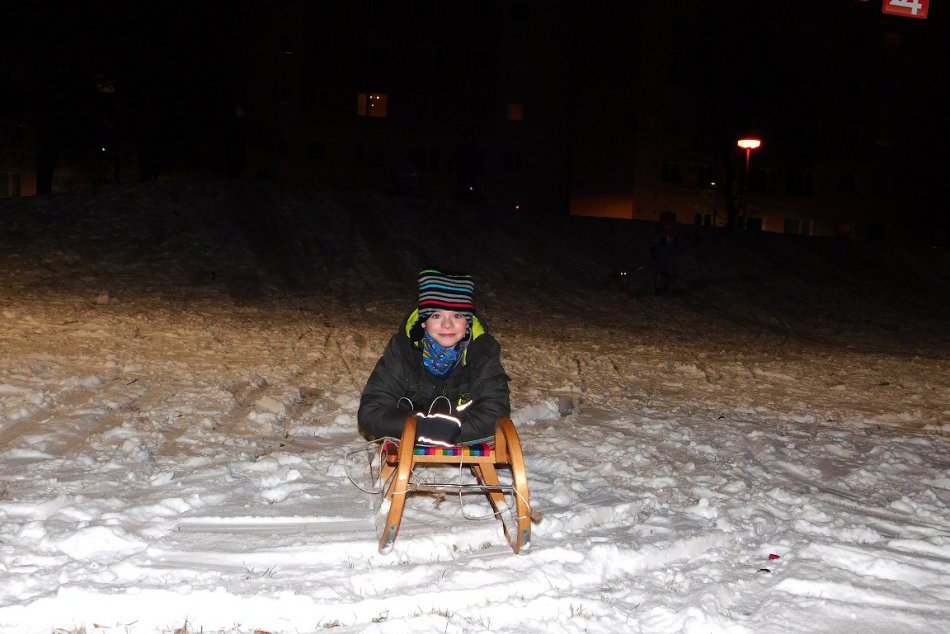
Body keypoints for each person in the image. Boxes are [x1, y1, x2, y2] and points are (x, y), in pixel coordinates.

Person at [358, 268, 511, 446]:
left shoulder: (483, 351)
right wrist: (421, 428)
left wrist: (452, 430)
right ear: (423, 322)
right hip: (413, 430)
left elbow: (496, 411)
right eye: (437, 315)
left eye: (457, 315)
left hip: (462, 432)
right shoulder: (403, 350)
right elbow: (372, 411)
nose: (447, 324)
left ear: (467, 323)